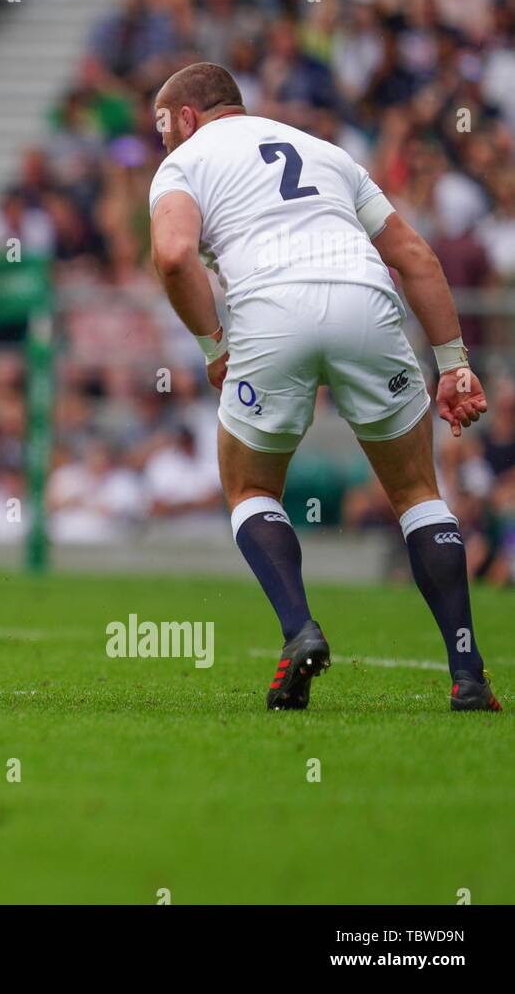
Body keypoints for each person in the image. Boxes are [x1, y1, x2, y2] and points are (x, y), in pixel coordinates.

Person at [148, 61, 499, 712]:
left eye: (164, 128)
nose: (163, 142)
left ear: (189, 117)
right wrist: (454, 364)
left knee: (251, 488)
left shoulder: (185, 163)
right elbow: (415, 257)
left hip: (271, 312)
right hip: (367, 301)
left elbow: (172, 256)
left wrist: (212, 346)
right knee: (418, 493)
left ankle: (299, 631)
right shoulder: (328, 152)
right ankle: (468, 673)